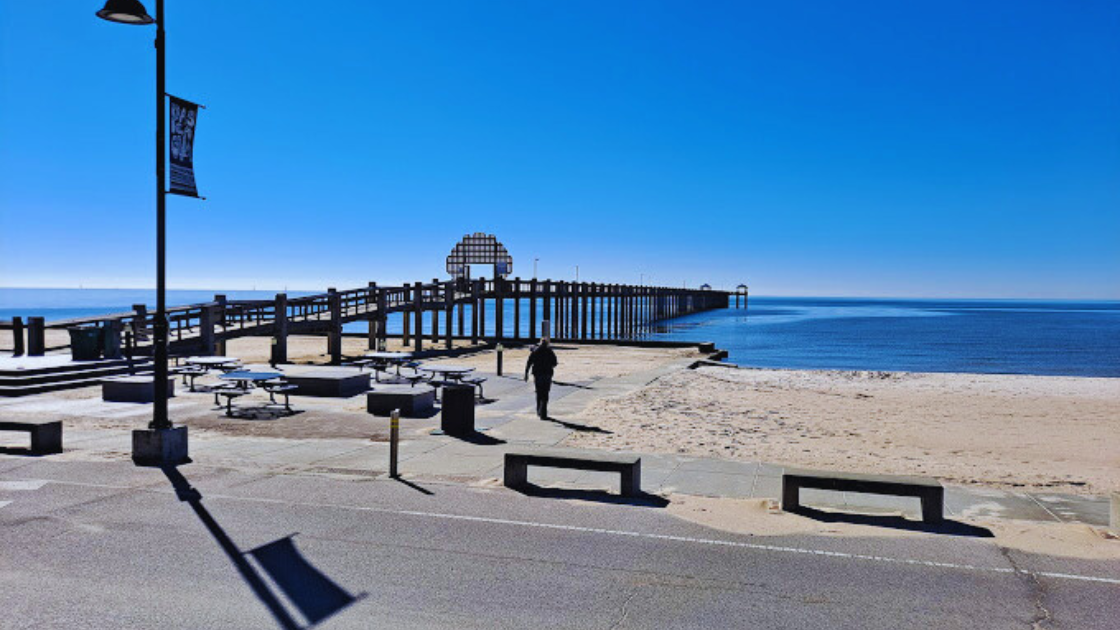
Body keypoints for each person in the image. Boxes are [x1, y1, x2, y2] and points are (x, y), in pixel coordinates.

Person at [524, 338, 558, 419]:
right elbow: (555, 363)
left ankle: (539, 410)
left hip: (538, 374)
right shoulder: (549, 351)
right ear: (547, 344)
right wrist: (550, 366)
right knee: (545, 393)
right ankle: (544, 411)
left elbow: (529, 363)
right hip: (547, 374)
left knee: (539, 392)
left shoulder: (535, 351)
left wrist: (526, 374)